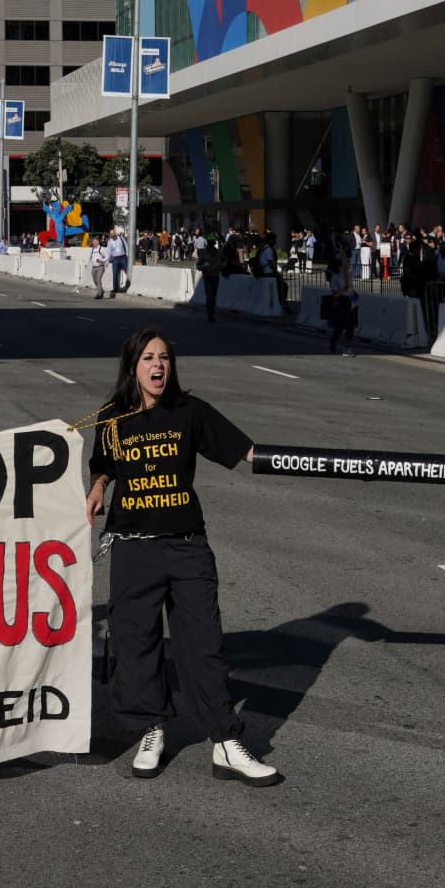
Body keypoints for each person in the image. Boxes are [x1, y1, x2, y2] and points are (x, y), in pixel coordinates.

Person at [83, 328, 278, 786]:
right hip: (134, 549)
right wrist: (98, 487)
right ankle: (151, 728)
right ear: (133, 366)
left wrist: (306, 461)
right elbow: (103, 465)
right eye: (149, 358)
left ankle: (226, 742)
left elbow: (244, 451)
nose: (158, 366)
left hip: (187, 547)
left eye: (165, 358)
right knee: (136, 643)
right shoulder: (112, 417)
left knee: (203, 646)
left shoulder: (191, 412)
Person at [326, 246, 359, 355]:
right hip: (342, 302)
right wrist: (343, 289)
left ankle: (348, 348)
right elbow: (334, 294)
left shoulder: (350, 275)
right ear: (340, 267)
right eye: (346, 264)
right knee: (340, 327)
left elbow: (351, 288)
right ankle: (333, 343)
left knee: (351, 326)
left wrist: (354, 293)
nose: (348, 265)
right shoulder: (335, 277)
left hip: (352, 303)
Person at [195, 234, 222, 321]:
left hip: (215, 275)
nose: (211, 244)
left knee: (213, 296)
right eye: (210, 242)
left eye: (211, 242)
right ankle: (210, 314)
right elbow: (198, 264)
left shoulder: (218, 252)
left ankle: (211, 313)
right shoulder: (204, 252)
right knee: (209, 296)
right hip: (207, 276)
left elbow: (224, 261)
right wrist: (202, 267)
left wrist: (220, 267)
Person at [106, 230, 129, 296]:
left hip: (123, 257)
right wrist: (107, 261)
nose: (112, 235)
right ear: (110, 235)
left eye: (113, 233)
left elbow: (126, 245)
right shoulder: (110, 241)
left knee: (127, 271)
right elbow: (108, 251)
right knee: (115, 273)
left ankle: (128, 285)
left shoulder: (121, 238)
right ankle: (115, 288)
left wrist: (127, 254)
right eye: (111, 234)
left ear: (115, 233)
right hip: (115, 258)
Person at [89, 233, 109, 299]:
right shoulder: (92, 249)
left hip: (100, 267)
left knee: (98, 280)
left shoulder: (102, 249)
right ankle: (101, 290)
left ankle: (99, 294)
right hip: (93, 267)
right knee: (95, 281)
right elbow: (89, 257)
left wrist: (102, 260)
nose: (93, 243)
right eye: (93, 242)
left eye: (95, 242)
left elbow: (107, 257)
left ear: (98, 242)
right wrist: (88, 263)